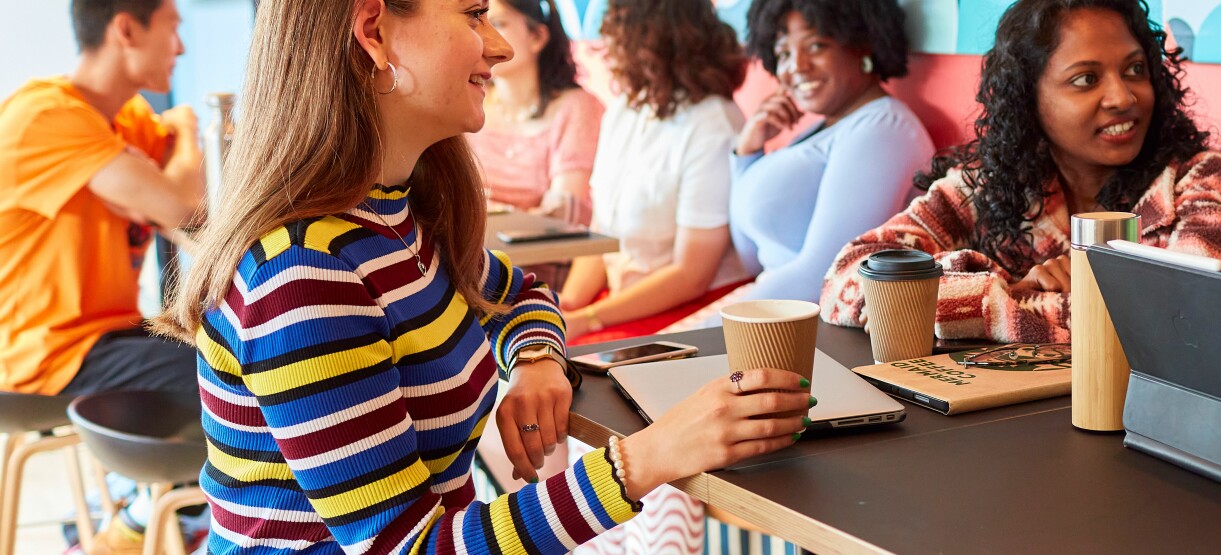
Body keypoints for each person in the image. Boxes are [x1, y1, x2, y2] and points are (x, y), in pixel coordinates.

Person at [151, 1, 809, 552]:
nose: (498, 48)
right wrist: (645, 459)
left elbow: (521, 294)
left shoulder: (398, 216)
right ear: (373, 32)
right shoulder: (304, 277)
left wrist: (537, 362)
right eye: (473, 15)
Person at [819, 0, 1221, 343]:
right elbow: (847, 280)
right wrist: (1008, 292)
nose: (1123, 97)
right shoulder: (988, 187)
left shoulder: (1214, 180)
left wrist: (1006, 300)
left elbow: (1187, 328)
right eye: (1087, 79)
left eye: (1134, 69)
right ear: (1028, 100)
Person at [0, 0, 203, 398]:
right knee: (228, 375)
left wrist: (162, 189)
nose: (180, 48)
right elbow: (182, 208)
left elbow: (188, 205)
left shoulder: (131, 118)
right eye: (172, 29)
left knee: (237, 344)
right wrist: (187, 126)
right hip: (48, 354)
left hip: (112, 334)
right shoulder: (45, 117)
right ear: (126, 31)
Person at [720, 0, 932, 308]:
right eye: (784, 53)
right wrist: (746, 153)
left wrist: (696, 337)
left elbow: (821, 277)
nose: (797, 66)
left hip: (804, 327)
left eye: (817, 45)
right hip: (771, 313)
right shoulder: (826, 127)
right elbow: (751, 259)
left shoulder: (882, 129)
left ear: (861, 44)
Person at [560, 0, 751, 341]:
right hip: (622, 306)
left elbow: (692, 274)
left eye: (616, 31)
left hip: (690, 310)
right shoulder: (624, 110)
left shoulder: (713, 124)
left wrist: (589, 319)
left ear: (654, 40)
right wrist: (568, 304)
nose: (603, 45)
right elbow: (602, 233)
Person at [465, 0, 602, 225]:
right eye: (476, 23)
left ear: (537, 37)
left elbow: (561, 217)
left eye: (498, 23)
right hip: (463, 252)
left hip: (540, 255)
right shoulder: (465, 100)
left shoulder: (576, 107)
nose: (483, 38)